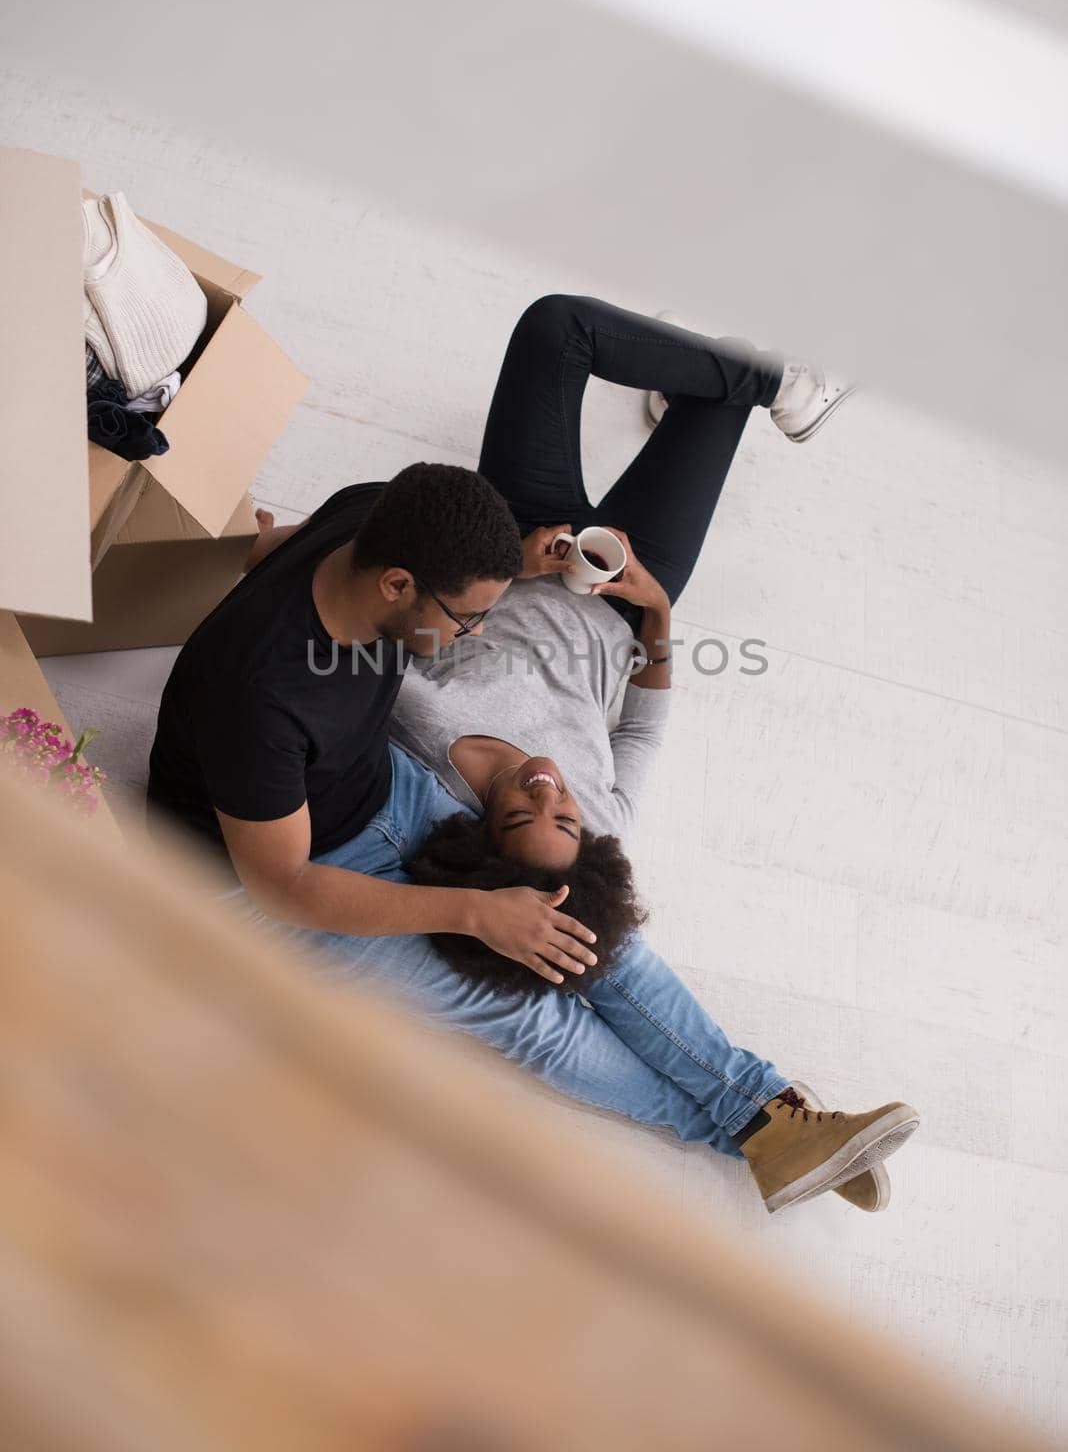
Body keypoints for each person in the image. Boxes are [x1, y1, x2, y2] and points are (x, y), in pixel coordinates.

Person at [225, 295, 914, 1214]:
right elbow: (643, 726)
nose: (550, 790)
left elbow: (375, 614)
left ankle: (768, 1128)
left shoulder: (422, 724)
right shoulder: (584, 806)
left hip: (513, 549)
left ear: (480, 827)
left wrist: (510, 568)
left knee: (580, 962)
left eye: (524, 810)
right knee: (567, 976)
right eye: (562, 814)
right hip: (606, 597)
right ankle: (767, 1127)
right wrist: (656, 612)